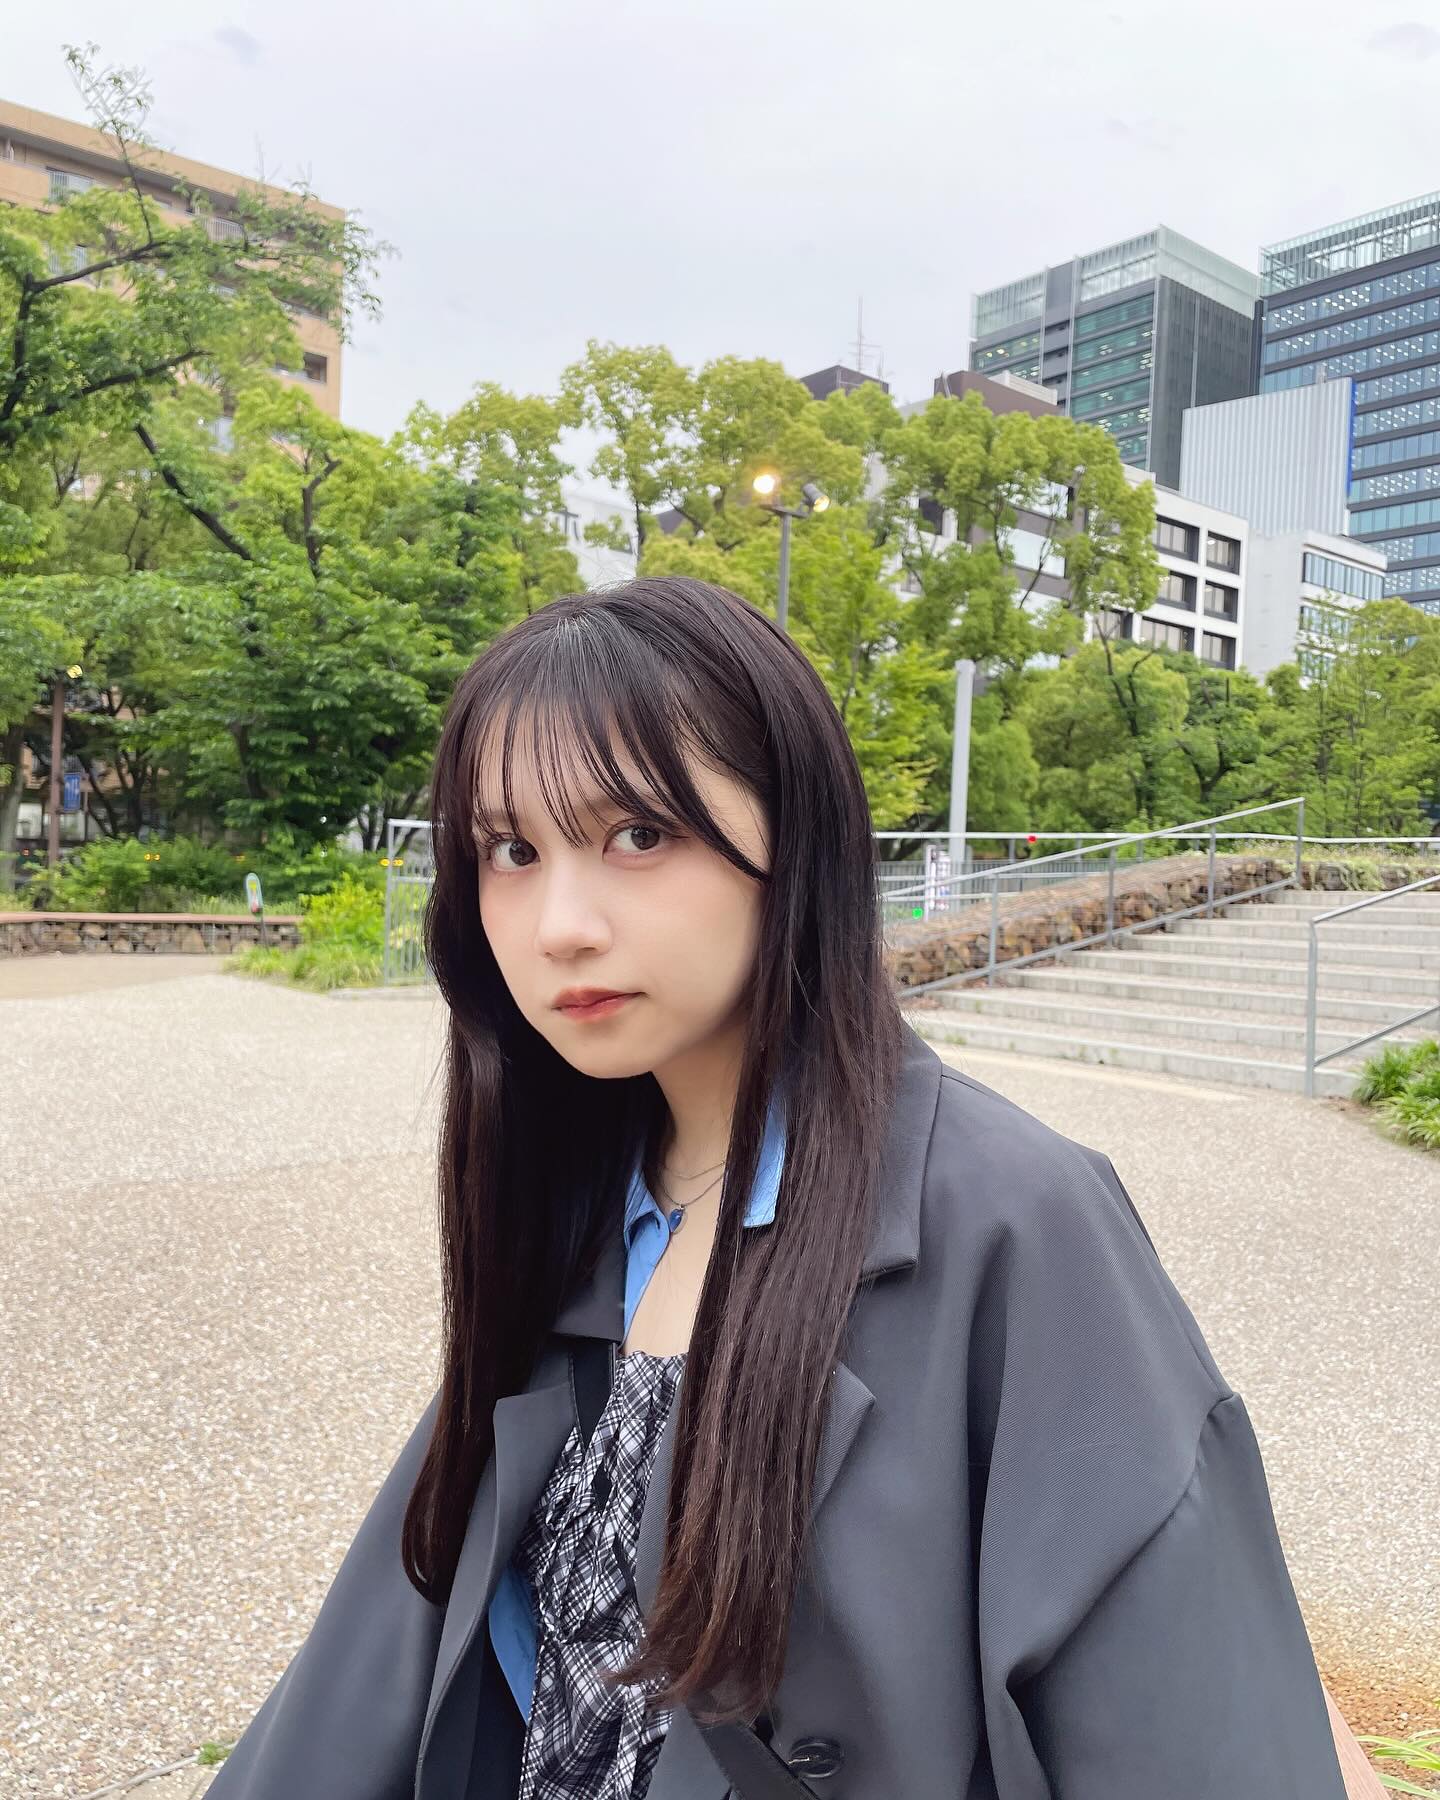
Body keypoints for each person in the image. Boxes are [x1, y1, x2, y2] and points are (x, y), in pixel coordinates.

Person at [207, 576, 1348, 1799]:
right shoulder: (578, 1201)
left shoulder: (1014, 1222)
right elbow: (383, 1669)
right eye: (511, 851)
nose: (559, 926)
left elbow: (1192, 1713)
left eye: (638, 835)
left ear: (795, 838)